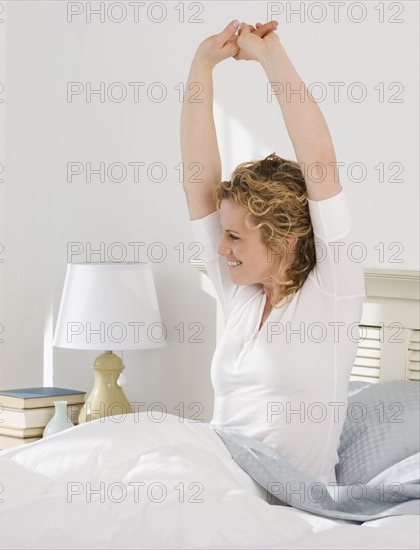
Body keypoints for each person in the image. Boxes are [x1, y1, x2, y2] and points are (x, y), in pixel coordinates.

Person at [180, 20, 366, 485]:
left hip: (287, 504)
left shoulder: (333, 294)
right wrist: (202, 66)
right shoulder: (241, 292)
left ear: (283, 241)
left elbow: (319, 163)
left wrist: (270, 55)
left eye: (236, 238)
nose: (221, 250)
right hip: (216, 480)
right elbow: (197, 179)